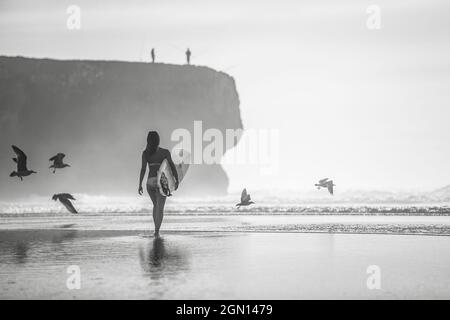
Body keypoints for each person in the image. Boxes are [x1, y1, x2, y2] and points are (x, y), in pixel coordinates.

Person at [139, 131, 178, 237]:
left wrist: (140, 184)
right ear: (158, 140)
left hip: (150, 182)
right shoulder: (165, 152)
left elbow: (143, 169)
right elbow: (172, 166)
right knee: (160, 208)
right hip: (161, 181)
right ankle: (156, 232)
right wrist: (176, 179)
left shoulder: (145, 153)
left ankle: (155, 230)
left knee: (155, 205)